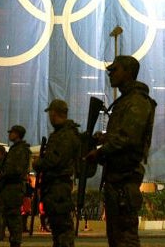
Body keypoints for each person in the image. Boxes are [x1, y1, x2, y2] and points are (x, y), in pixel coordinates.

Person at [88, 55, 156, 247]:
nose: (110, 74)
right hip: (116, 179)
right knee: (117, 238)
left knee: (125, 239)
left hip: (124, 180)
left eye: (114, 70)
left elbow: (128, 138)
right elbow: (123, 135)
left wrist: (100, 152)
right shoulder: (126, 101)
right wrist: (104, 138)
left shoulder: (136, 101)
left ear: (128, 72)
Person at [32, 99, 80, 247]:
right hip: (54, 186)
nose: (50, 117)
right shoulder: (61, 133)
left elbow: (55, 160)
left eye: (51, 113)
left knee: (62, 227)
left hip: (58, 186)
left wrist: (38, 163)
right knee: (57, 228)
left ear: (55, 113)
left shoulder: (65, 135)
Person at [0, 126, 31, 247]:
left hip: (14, 186)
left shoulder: (20, 149)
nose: (10, 134)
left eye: (12, 133)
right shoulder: (15, 149)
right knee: (10, 215)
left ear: (18, 134)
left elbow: (17, 170)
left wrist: (4, 175)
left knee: (14, 216)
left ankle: (16, 241)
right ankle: (14, 240)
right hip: (9, 187)